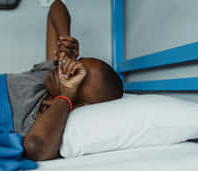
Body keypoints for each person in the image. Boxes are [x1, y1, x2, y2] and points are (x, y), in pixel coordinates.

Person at [7, 0, 123, 161]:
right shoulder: (51, 71)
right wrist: (65, 42)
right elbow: (56, 6)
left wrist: (65, 95)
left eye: (76, 75)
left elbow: (35, 147)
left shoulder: (41, 118)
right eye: (77, 62)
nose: (67, 67)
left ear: (80, 105)